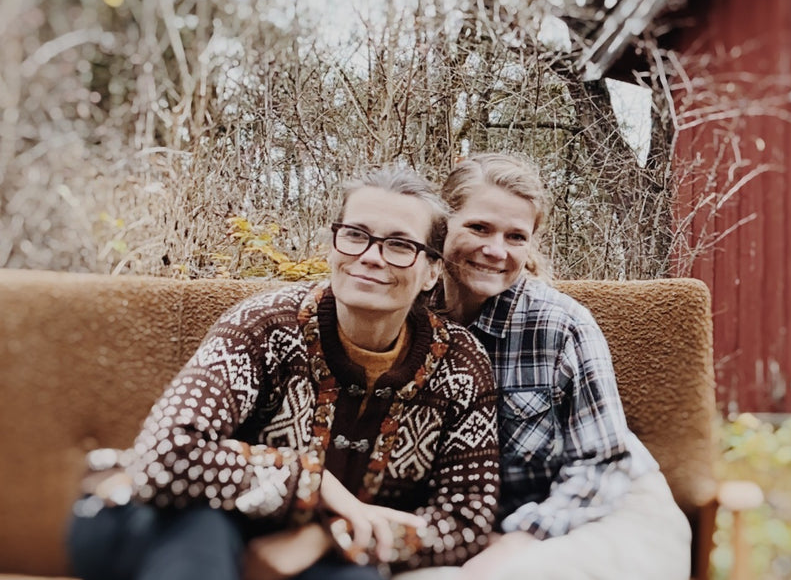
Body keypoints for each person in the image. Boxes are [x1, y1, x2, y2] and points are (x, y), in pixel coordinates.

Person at [67, 167, 501, 580]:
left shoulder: (460, 365)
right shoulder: (264, 326)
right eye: (355, 235)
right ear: (333, 247)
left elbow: (467, 520)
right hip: (153, 518)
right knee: (201, 529)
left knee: (356, 577)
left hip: (307, 547)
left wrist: (327, 534)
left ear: (431, 271)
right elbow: (165, 454)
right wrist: (312, 482)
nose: (370, 257)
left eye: (400, 245)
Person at [438, 153, 690, 580]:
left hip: (603, 502)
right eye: (479, 227)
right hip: (472, 524)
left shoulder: (561, 325)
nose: (496, 250)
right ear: (442, 225)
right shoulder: (411, 318)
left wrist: (522, 537)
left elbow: (602, 463)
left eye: (516, 236)